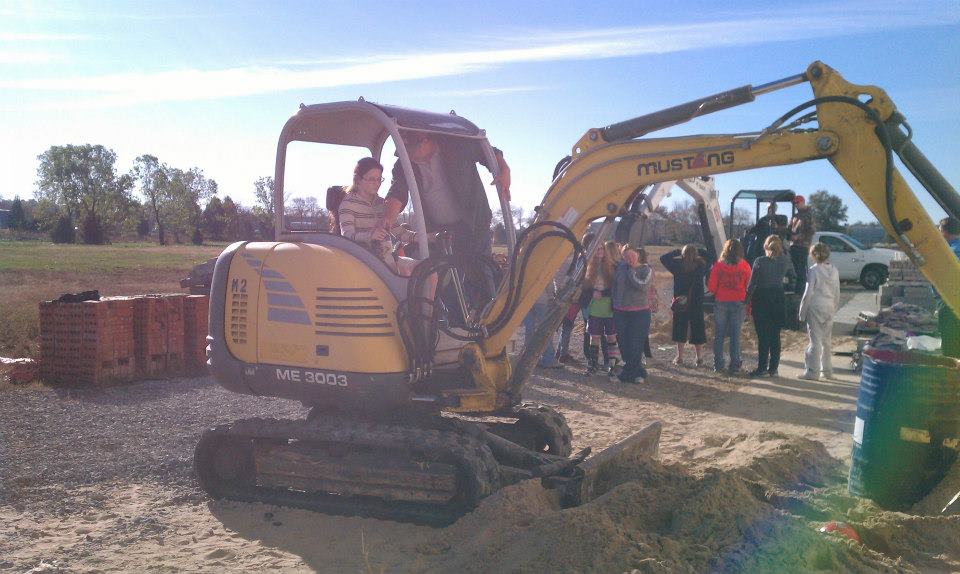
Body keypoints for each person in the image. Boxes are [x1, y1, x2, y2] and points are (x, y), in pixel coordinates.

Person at [380, 132, 510, 257]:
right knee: (443, 269)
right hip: (439, 233)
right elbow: (397, 191)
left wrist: (504, 169)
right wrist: (388, 217)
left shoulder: (456, 146)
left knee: (480, 269)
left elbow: (487, 151)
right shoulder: (403, 164)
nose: (405, 156)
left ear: (424, 142)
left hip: (475, 227)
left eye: (408, 150)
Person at [338, 158, 420, 276]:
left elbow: (400, 233)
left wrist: (429, 237)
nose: (377, 184)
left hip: (387, 259)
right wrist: (370, 236)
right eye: (372, 179)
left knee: (427, 270)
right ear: (358, 180)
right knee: (406, 273)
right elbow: (346, 235)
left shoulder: (382, 204)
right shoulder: (348, 204)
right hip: (364, 262)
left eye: (379, 179)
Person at [745, 235, 796, 377]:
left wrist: (745, 301)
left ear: (765, 246)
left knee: (763, 336)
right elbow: (794, 276)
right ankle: (773, 368)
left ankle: (762, 368)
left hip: (761, 299)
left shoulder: (759, 261)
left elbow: (752, 284)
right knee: (775, 335)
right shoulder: (785, 260)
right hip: (778, 298)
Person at [707, 239, 752, 374]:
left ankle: (718, 364)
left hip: (721, 301)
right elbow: (749, 286)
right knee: (735, 335)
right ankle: (735, 365)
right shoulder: (745, 266)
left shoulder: (718, 266)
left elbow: (711, 287)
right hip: (739, 302)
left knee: (719, 334)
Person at [613, 246, 655, 383]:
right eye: (626, 256)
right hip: (620, 311)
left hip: (639, 312)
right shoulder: (620, 268)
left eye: (631, 255)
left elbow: (642, 286)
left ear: (637, 254)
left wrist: (631, 270)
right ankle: (639, 373)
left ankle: (627, 375)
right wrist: (614, 302)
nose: (629, 259)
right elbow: (615, 284)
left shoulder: (646, 269)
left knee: (636, 343)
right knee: (623, 343)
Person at [799, 242, 841, 380]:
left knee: (815, 340)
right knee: (826, 341)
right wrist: (834, 308)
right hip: (829, 306)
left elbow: (808, 293)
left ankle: (812, 371)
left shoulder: (813, 270)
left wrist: (802, 312)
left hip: (816, 306)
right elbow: (837, 293)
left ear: (813, 255)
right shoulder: (834, 270)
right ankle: (827, 371)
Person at [661, 244, 708, 367]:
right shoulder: (701, 266)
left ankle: (680, 357)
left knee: (680, 328)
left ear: (683, 254)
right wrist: (698, 251)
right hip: (696, 302)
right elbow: (710, 256)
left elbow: (663, 258)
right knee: (697, 328)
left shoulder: (677, 265)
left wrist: (678, 251)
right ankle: (699, 358)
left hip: (680, 301)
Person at [555, 232, 596, 365]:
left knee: (568, 325)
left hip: (578, 297)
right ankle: (563, 354)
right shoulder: (584, 259)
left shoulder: (580, 257)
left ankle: (560, 352)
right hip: (579, 298)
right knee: (570, 325)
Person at [584, 240, 622, 376]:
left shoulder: (613, 267)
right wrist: (592, 292)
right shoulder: (588, 267)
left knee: (611, 336)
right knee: (594, 336)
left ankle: (612, 365)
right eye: (597, 249)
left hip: (609, 307)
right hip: (594, 307)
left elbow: (618, 288)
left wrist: (603, 293)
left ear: (605, 251)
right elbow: (585, 287)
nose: (599, 251)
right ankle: (593, 364)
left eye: (601, 249)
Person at [522, 279, 564, 369]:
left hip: (525, 300)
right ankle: (548, 359)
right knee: (544, 330)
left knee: (529, 330)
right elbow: (548, 282)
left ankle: (528, 359)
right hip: (540, 300)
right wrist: (551, 296)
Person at [936, 217, 960, 359]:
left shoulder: (951, 252)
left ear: (945, 232)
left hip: (949, 302)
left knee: (951, 346)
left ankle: (951, 369)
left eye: (939, 230)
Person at [789, 195, 816, 293]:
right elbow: (789, 228)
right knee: (795, 269)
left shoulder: (809, 215)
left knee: (801, 269)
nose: (795, 205)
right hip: (793, 246)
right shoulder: (795, 216)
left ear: (802, 202)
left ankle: (801, 291)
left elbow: (812, 230)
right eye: (794, 203)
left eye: (797, 202)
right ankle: (796, 288)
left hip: (803, 246)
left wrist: (799, 237)